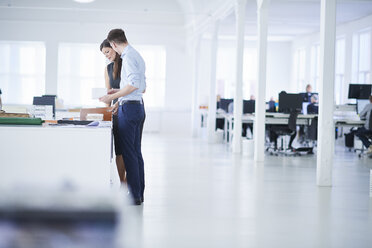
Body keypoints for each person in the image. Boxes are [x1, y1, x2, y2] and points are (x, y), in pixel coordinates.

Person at [100, 29, 146, 205]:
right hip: (136, 106)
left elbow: (134, 85)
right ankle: (138, 194)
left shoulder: (127, 57)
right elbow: (140, 87)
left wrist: (112, 97)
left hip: (130, 109)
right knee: (135, 153)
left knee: (129, 154)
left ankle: (133, 196)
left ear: (113, 44)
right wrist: (119, 92)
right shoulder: (137, 55)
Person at [100, 39, 127, 186]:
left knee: (130, 148)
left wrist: (119, 101)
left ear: (115, 48)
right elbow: (108, 94)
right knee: (119, 150)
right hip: (116, 114)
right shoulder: (108, 69)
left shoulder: (127, 64)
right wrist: (105, 113)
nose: (106, 56)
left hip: (127, 109)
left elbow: (131, 89)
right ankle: (122, 182)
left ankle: (131, 179)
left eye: (107, 52)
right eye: (104, 54)